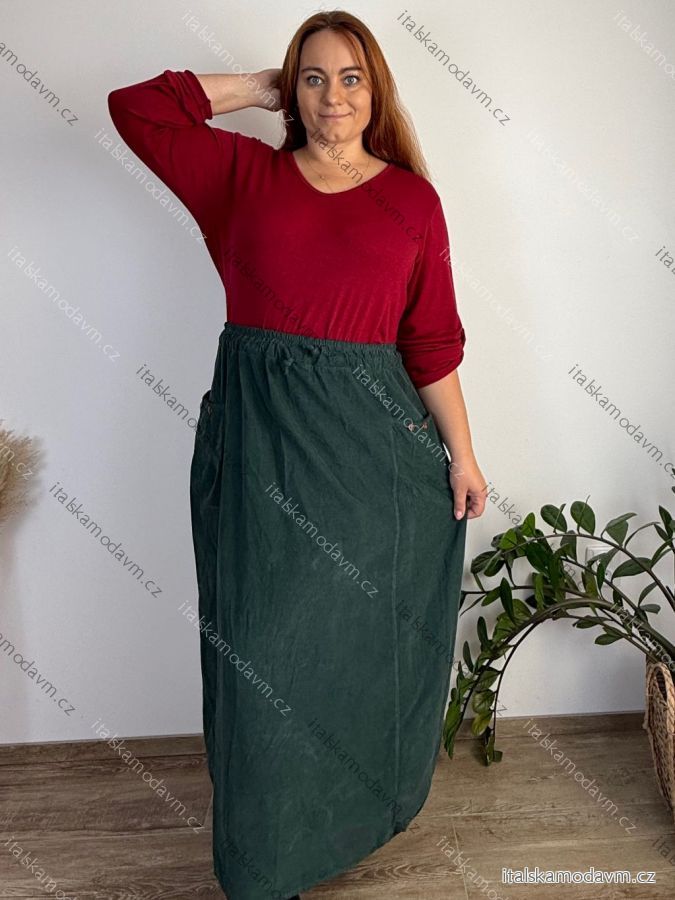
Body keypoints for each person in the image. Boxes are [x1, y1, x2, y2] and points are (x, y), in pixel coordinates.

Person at [108, 9, 487, 899]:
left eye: (350, 77)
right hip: (261, 453)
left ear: (376, 90)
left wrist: (462, 457)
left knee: (353, 646)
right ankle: (262, 865)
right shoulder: (242, 177)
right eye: (313, 78)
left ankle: (346, 821)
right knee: (263, 654)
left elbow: (430, 344)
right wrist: (256, 87)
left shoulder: (411, 203)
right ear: (293, 90)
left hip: (371, 459)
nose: (332, 97)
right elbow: (136, 109)